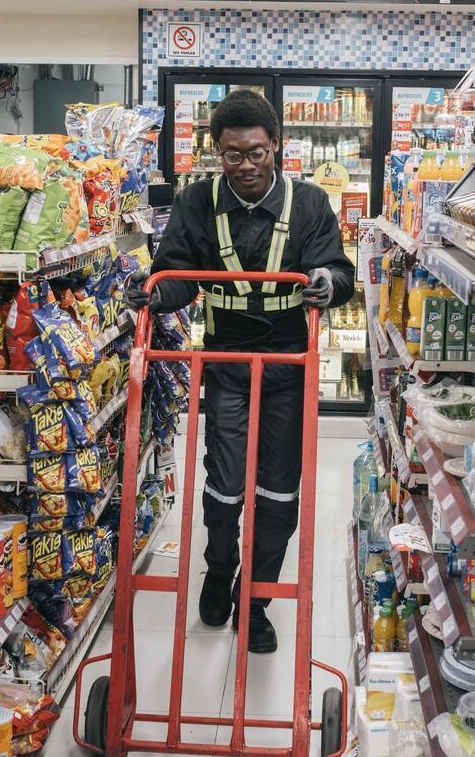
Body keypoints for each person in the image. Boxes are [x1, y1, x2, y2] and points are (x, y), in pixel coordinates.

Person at [126, 90, 354, 653]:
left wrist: (327, 282)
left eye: (256, 152)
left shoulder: (311, 205)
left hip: (287, 364)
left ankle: (257, 600)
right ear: (216, 153)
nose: (246, 165)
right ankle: (218, 572)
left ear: (275, 146)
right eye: (233, 155)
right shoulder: (196, 202)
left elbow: (339, 271)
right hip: (225, 362)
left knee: (277, 490)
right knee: (224, 485)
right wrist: (153, 296)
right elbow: (177, 273)